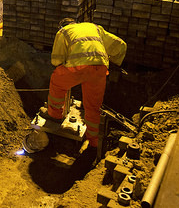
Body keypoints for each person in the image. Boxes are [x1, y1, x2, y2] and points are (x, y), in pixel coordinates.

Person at [41, 18, 127, 149]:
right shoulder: (94, 27)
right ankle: (93, 141)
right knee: (93, 106)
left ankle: (55, 115)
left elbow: (56, 60)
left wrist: (63, 66)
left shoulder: (63, 32)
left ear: (62, 27)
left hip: (78, 68)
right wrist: (115, 62)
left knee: (57, 82)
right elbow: (121, 45)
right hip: (100, 68)